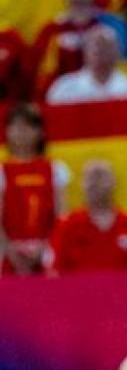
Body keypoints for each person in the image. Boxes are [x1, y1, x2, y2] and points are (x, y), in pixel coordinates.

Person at [28, 0, 127, 98]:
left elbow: (126, 61)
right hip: (67, 93)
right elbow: (41, 71)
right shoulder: (51, 30)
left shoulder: (111, 25)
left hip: (108, 90)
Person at [47, 159, 127, 274]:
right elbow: (53, 271)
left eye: (101, 176)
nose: (95, 183)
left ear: (115, 182)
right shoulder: (66, 226)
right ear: (81, 184)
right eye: (90, 177)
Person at [1, 103, 69, 276]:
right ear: (7, 132)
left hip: (46, 250)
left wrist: (45, 248)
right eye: (15, 126)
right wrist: (11, 251)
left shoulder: (55, 169)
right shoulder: (2, 171)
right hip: (9, 252)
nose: (21, 132)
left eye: (27, 126)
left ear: (40, 132)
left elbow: (62, 217)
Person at [45, 24, 127, 105]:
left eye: (105, 46)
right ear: (85, 52)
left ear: (118, 53)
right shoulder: (64, 89)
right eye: (93, 46)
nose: (98, 50)